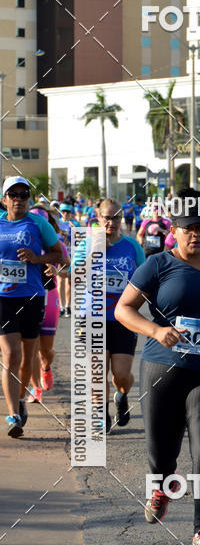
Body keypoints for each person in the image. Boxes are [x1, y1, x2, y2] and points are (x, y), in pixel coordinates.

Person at [115, 191, 200, 545]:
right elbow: (124, 309)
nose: (196, 236)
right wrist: (156, 331)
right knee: (161, 450)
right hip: (163, 367)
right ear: (174, 231)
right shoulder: (158, 265)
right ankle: (161, 486)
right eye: (189, 229)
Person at [73, 199, 145, 429]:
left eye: (115, 217)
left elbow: (145, 278)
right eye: (106, 217)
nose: (110, 222)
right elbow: (75, 276)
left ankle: (122, 396)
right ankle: (100, 414)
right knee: (97, 372)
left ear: (121, 218)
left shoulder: (133, 246)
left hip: (124, 318)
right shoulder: (87, 243)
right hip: (92, 316)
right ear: (97, 216)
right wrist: (95, 251)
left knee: (121, 375)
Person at [0, 177, 62, 436]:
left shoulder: (39, 223)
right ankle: (13, 415)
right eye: (13, 194)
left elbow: (60, 255)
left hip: (33, 297)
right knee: (10, 355)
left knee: (27, 357)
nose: (18, 198)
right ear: (4, 199)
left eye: (23, 194)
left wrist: (38, 258)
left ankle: (22, 400)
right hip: (3, 298)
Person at [27, 206, 70, 402]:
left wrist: (57, 269)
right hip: (27, 295)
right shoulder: (22, 237)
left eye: (40, 221)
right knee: (31, 344)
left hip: (49, 294)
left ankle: (46, 367)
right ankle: (36, 388)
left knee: (45, 350)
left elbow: (67, 263)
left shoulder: (56, 241)